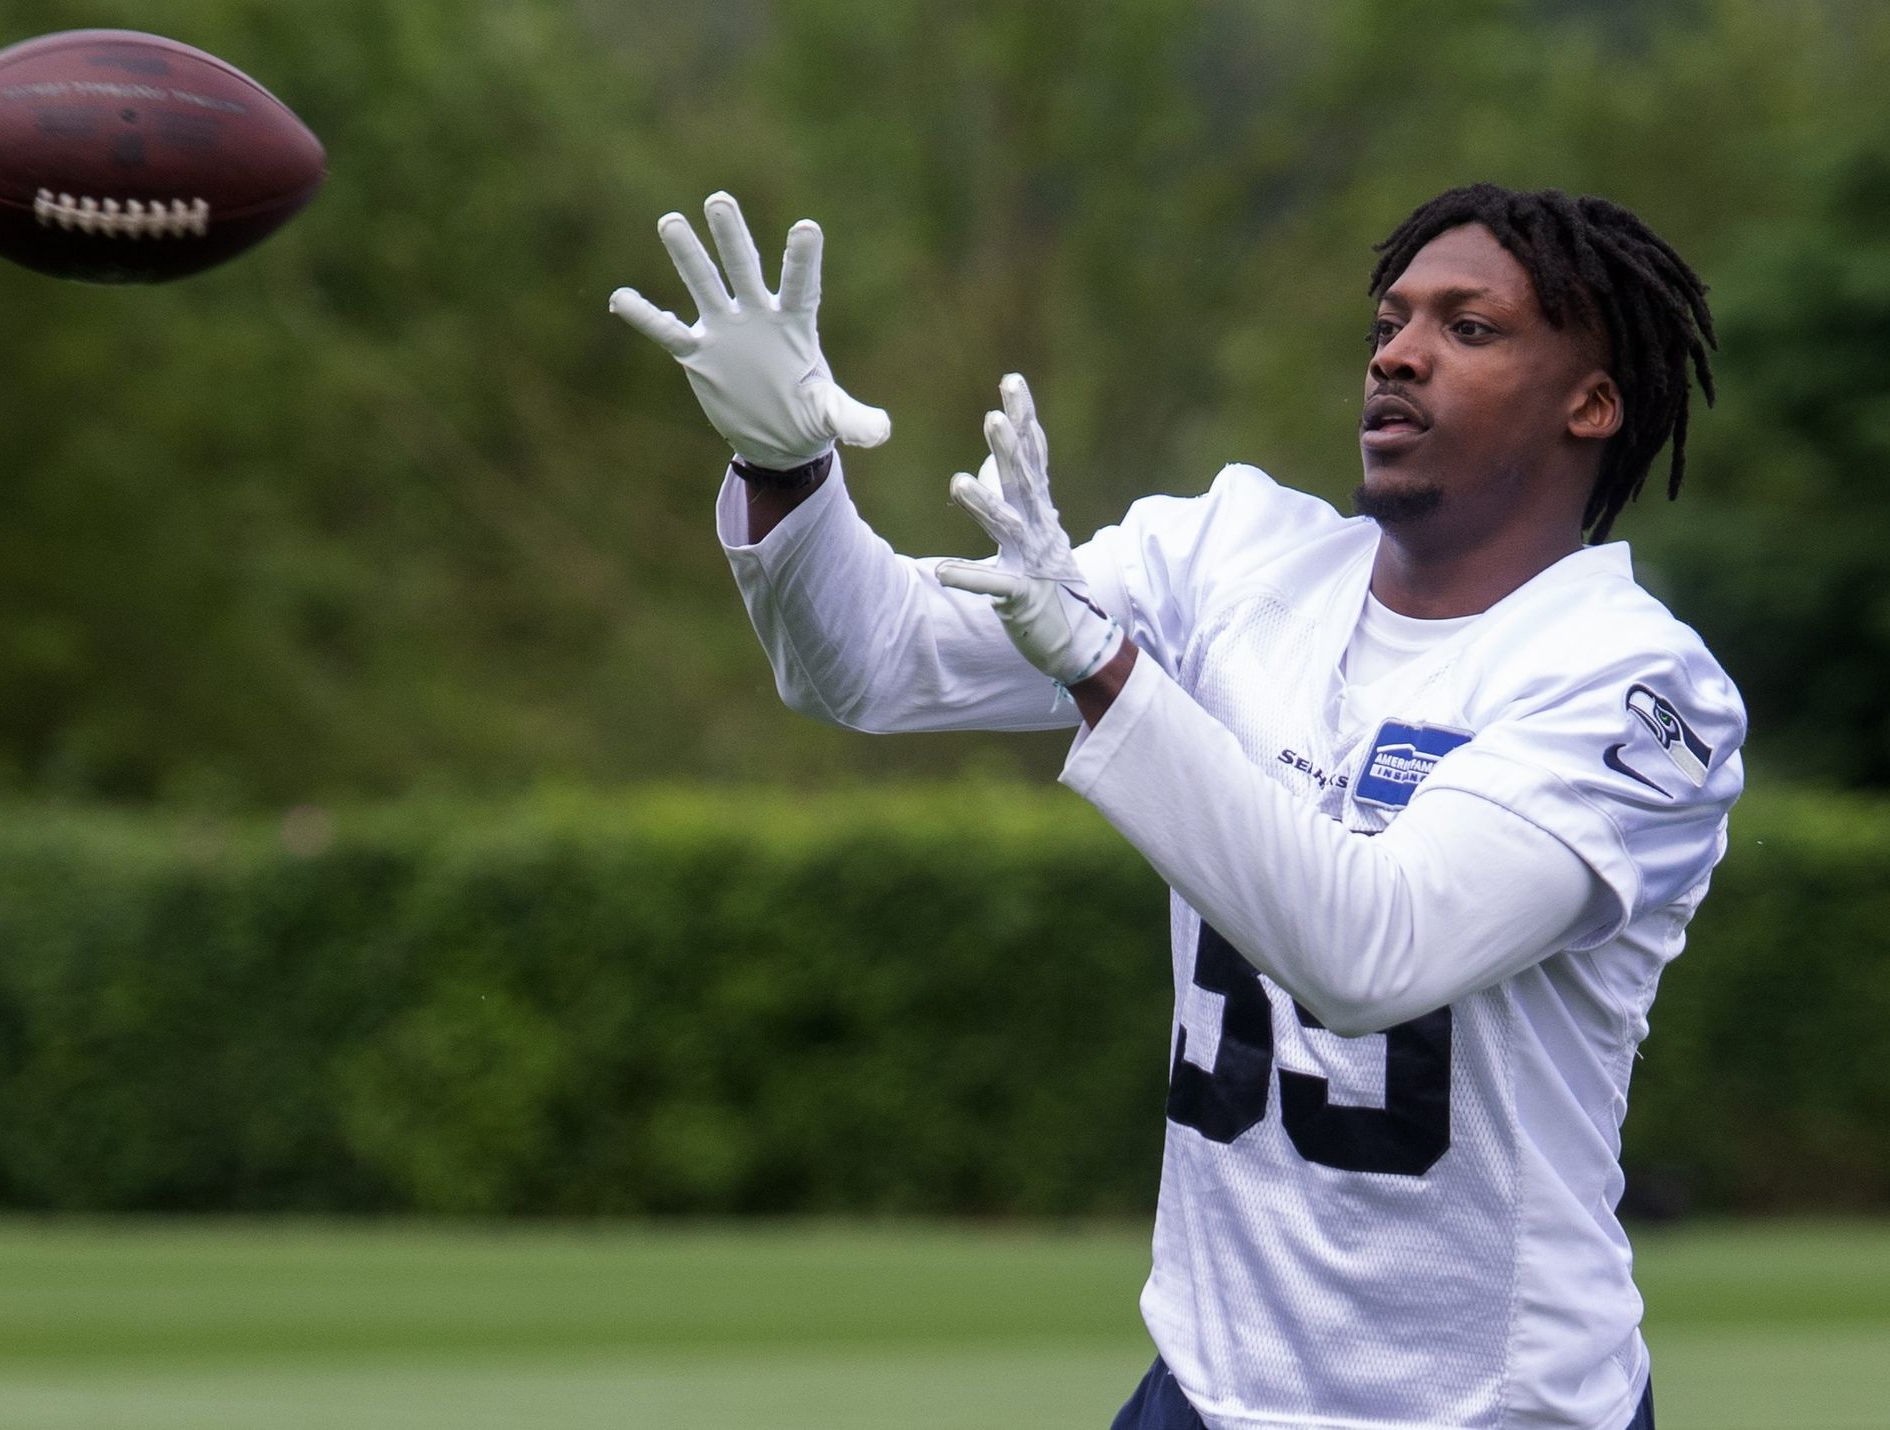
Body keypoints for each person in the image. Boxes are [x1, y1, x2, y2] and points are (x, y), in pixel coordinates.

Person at [610, 183, 1741, 1430]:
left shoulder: (1637, 683)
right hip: (1202, 1389)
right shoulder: (1233, 559)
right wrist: (786, 463)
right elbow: (872, 664)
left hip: (1488, 1406)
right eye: (1390, 321)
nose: (1400, 353)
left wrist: (1106, 673)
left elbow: (1374, 949)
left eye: (1469, 329)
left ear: (1594, 401)